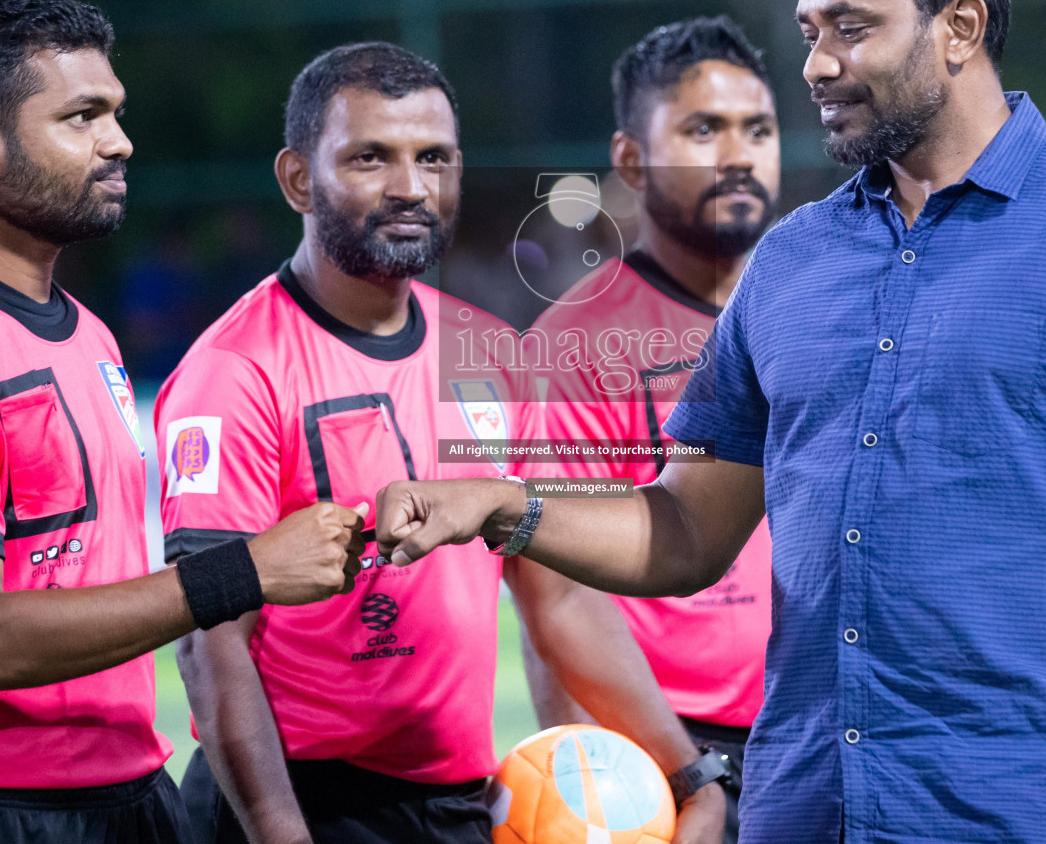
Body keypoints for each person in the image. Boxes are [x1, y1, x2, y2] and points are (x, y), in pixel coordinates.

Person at [375, 0, 1046, 844]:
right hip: (804, 811)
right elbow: (688, 530)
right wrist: (509, 507)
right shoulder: (790, 261)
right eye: (809, 32)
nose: (819, 65)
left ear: (959, 27)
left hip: (1028, 812)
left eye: (850, 28)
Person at [0, 0, 366, 844]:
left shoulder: (89, 335)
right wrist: (243, 573)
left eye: (114, 112)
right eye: (81, 116)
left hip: (128, 797)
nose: (119, 142)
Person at [158, 41, 725, 844]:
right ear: (296, 179)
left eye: (433, 158)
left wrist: (689, 776)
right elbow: (211, 641)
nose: (410, 187)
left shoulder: (491, 352)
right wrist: (281, 834)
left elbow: (558, 596)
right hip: (292, 800)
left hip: (453, 802)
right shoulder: (234, 371)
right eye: (370, 158)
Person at [519, 15, 779, 843]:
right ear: (631, 160)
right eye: (703, 129)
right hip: (667, 756)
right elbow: (555, 593)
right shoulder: (574, 344)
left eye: (759, 129)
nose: (738, 153)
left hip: (816, 735)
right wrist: (661, 778)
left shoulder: (812, 311)